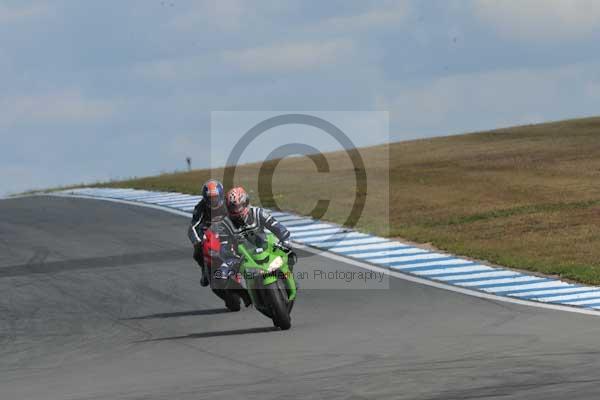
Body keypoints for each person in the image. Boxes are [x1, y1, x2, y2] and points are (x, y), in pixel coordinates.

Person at [211, 186, 295, 306]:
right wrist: (230, 257)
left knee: (290, 256)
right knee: (220, 277)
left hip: (266, 247)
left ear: (246, 202)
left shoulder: (258, 213)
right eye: (233, 207)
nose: (236, 210)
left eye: (239, 206)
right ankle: (245, 296)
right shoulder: (225, 224)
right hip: (242, 255)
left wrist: (285, 239)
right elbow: (223, 246)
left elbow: (276, 226)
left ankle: (289, 280)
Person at [187, 179, 227, 286]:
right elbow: (193, 227)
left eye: (215, 197)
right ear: (205, 198)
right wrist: (197, 242)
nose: (213, 201)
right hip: (207, 234)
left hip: (227, 232)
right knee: (197, 253)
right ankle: (205, 270)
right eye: (210, 198)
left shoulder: (228, 204)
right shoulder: (200, 207)